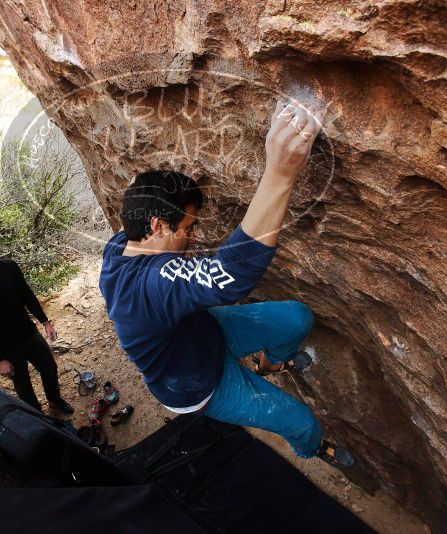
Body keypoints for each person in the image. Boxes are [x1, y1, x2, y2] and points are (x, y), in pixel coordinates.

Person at [99, 99, 355, 467]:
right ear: (157, 227)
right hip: (198, 384)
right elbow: (231, 275)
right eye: (187, 229)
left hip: (204, 333)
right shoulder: (153, 286)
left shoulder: (121, 245)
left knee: (297, 318)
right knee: (299, 420)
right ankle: (313, 447)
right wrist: (280, 174)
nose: (191, 238)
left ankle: (269, 365)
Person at [0, 228, 74, 415]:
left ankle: (54, 401)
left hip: (28, 333)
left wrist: (45, 321)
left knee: (49, 368)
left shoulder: (9, 267)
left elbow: (27, 295)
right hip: (6, 348)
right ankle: (40, 419)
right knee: (24, 387)